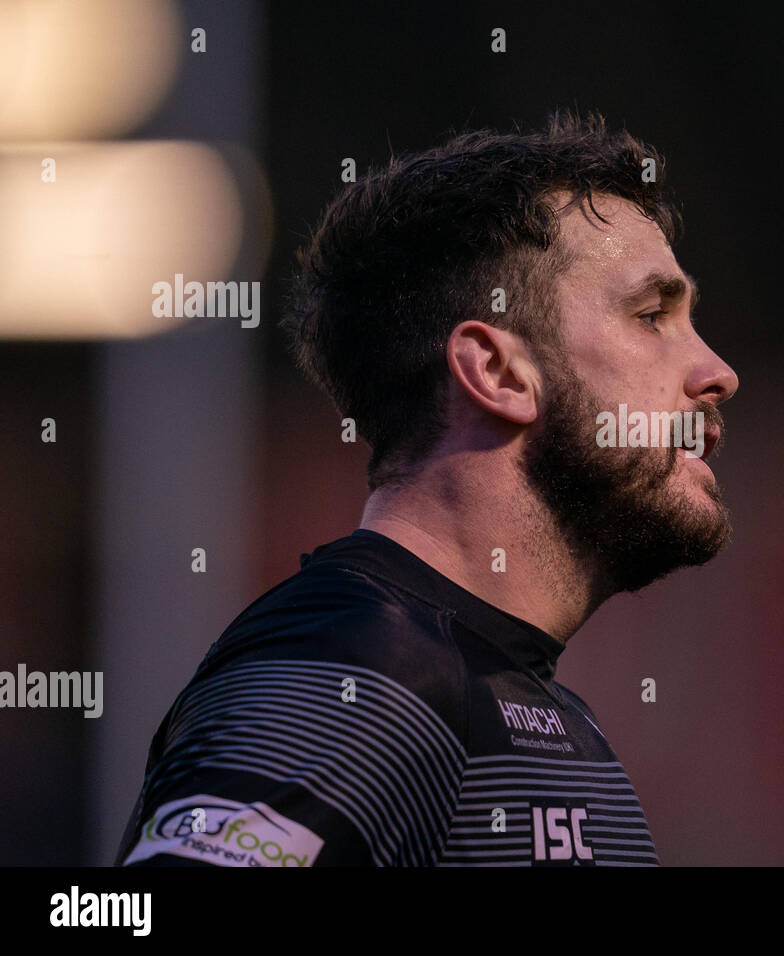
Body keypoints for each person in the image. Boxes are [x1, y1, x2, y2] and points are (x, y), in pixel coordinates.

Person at [113, 109, 739, 866]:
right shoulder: (356, 665)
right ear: (499, 372)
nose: (717, 372)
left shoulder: (518, 698)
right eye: (651, 316)